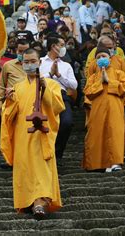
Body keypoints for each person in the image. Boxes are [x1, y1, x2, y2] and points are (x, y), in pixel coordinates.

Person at [0, 48, 65, 218]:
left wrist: (45, 91)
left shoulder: (52, 84)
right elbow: (9, 116)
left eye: (33, 61)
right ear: (22, 64)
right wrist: (10, 100)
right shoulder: (17, 87)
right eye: (26, 62)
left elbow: (58, 108)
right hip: (23, 135)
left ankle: (40, 202)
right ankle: (28, 202)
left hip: (41, 135)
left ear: (40, 62)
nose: (29, 65)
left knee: (41, 168)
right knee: (25, 168)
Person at [83, 47, 125, 172]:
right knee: (97, 133)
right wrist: (100, 82)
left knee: (115, 132)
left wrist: (109, 81)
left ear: (110, 58)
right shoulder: (92, 77)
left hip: (115, 108)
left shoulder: (119, 74)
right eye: (98, 57)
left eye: (104, 56)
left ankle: (115, 162)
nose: (101, 59)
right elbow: (87, 92)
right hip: (97, 109)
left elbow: (124, 89)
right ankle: (97, 164)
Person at [40, 36, 78, 165]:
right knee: (45, 125)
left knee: (67, 122)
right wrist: (50, 74)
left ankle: (57, 152)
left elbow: (74, 85)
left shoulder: (66, 65)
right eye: (61, 44)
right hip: (44, 95)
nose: (63, 47)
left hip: (61, 95)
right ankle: (45, 152)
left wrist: (59, 76)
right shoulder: (40, 62)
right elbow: (34, 79)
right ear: (53, 46)